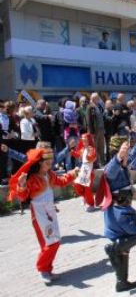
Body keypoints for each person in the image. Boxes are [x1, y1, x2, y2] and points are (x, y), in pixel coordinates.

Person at [8, 147, 78, 283]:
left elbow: (61, 181)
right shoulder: (32, 179)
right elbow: (23, 197)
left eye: (51, 162)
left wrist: (72, 173)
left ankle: (47, 269)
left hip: (50, 212)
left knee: (55, 241)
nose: (50, 164)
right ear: (40, 162)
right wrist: (21, 185)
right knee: (50, 242)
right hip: (39, 215)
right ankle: (42, 269)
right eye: (47, 162)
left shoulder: (50, 175)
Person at [96, 139, 136, 292]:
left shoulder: (123, 164)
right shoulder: (113, 167)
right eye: (126, 154)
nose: (128, 156)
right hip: (119, 213)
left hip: (121, 212)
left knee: (126, 247)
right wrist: (120, 156)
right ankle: (114, 249)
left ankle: (122, 282)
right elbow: (109, 171)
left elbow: (131, 155)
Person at [71, 133, 97, 212]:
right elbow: (77, 155)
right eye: (83, 140)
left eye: (85, 140)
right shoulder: (82, 149)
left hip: (89, 170)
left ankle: (91, 204)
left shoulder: (92, 149)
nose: (84, 142)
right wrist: (71, 149)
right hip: (83, 169)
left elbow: (93, 157)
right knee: (76, 184)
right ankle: (85, 197)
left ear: (89, 140)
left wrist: (89, 155)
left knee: (87, 189)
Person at [87, 93, 105, 167]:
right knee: (95, 147)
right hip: (95, 130)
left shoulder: (99, 106)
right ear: (94, 98)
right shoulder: (90, 107)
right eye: (97, 98)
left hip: (101, 129)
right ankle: (95, 163)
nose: (99, 99)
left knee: (101, 146)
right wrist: (91, 132)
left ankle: (102, 162)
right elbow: (89, 121)